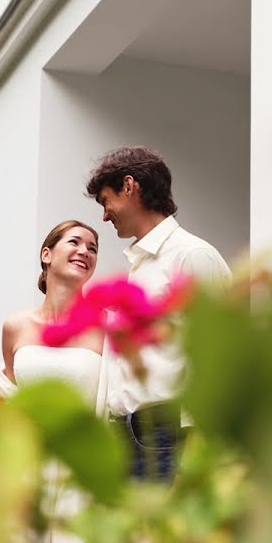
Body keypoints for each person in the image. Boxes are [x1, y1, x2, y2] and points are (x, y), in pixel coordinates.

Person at [86, 145, 231, 480]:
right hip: (126, 438)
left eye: (105, 201)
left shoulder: (192, 257)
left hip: (168, 439)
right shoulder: (141, 266)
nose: (105, 215)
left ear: (129, 186)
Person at [0, 219, 106, 543]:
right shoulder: (16, 326)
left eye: (93, 248)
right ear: (47, 254)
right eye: (75, 242)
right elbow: (10, 396)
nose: (85, 251)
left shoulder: (106, 327)